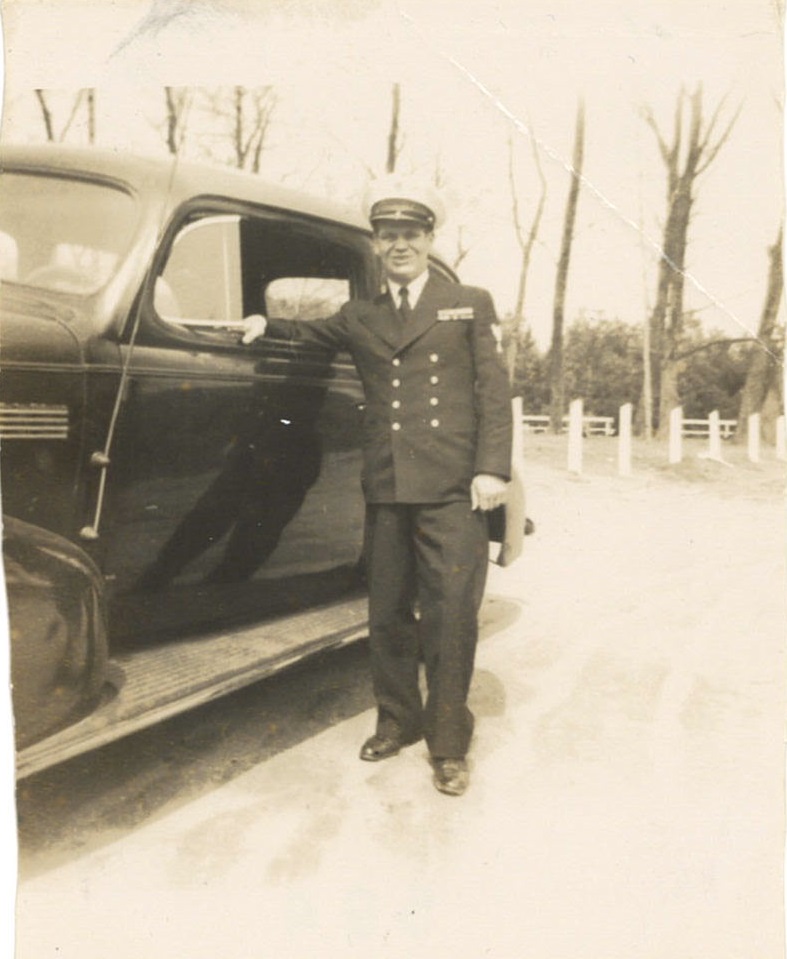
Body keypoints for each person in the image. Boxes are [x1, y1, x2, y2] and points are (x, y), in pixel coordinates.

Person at [241, 176, 512, 796]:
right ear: (375, 245)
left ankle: (448, 744)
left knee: (448, 618)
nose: (399, 245)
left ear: (429, 239)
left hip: (452, 487)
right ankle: (396, 721)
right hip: (388, 484)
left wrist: (492, 468)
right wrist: (262, 321)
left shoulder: (468, 302)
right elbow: (305, 335)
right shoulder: (358, 315)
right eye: (388, 236)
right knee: (387, 613)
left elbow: (493, 394)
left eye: (410, 234)